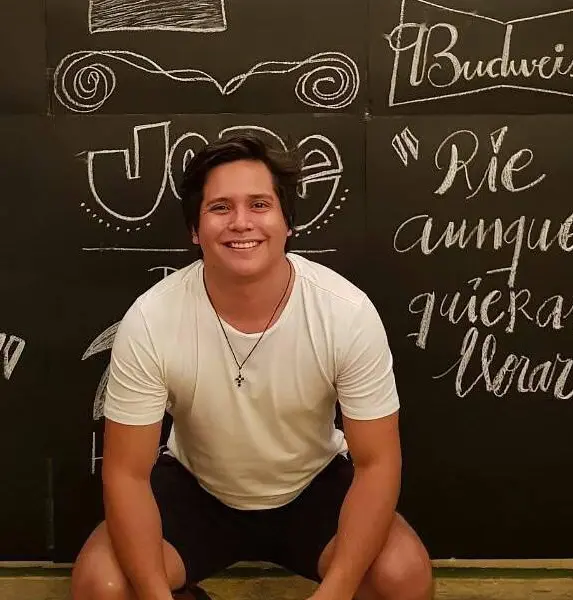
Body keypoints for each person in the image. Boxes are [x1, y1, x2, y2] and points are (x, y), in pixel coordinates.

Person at [71, 132, 433, 600]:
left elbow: (377, 462)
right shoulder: (151, 318)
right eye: (220, 207)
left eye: (259, 205)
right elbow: (127, 474)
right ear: (195, 230)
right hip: (197, 488)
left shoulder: (346, 312)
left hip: (312, 485)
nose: (241, 223)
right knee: (102, 584)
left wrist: (337, 592)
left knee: (403, 575)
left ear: (287, 222)